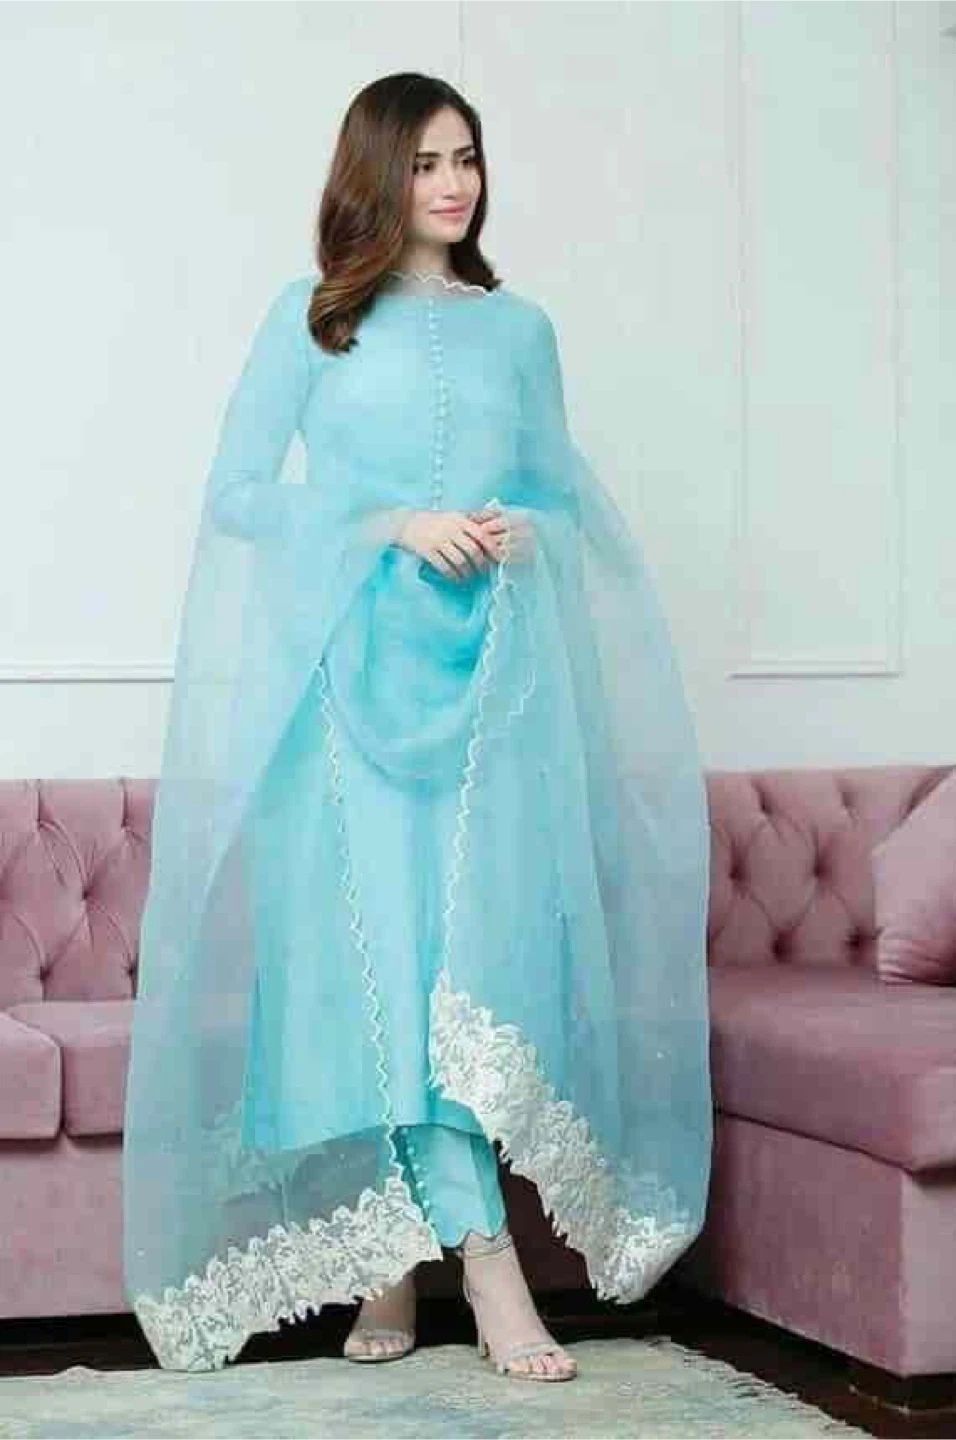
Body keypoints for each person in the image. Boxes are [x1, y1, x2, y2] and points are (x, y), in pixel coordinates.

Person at [122, 71, 713, 1386]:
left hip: (489, 706)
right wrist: (390, 523)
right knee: (377, 979)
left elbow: (562, 503)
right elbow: (238, 495)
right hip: (346, 706)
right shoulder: (313, 320)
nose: (453, 184)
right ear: (375, 173)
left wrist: (516, 536)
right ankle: (482, 1264)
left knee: (463, 986)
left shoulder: (521, 332)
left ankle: (401, 1256)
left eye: (467, 159)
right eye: (427, 161)